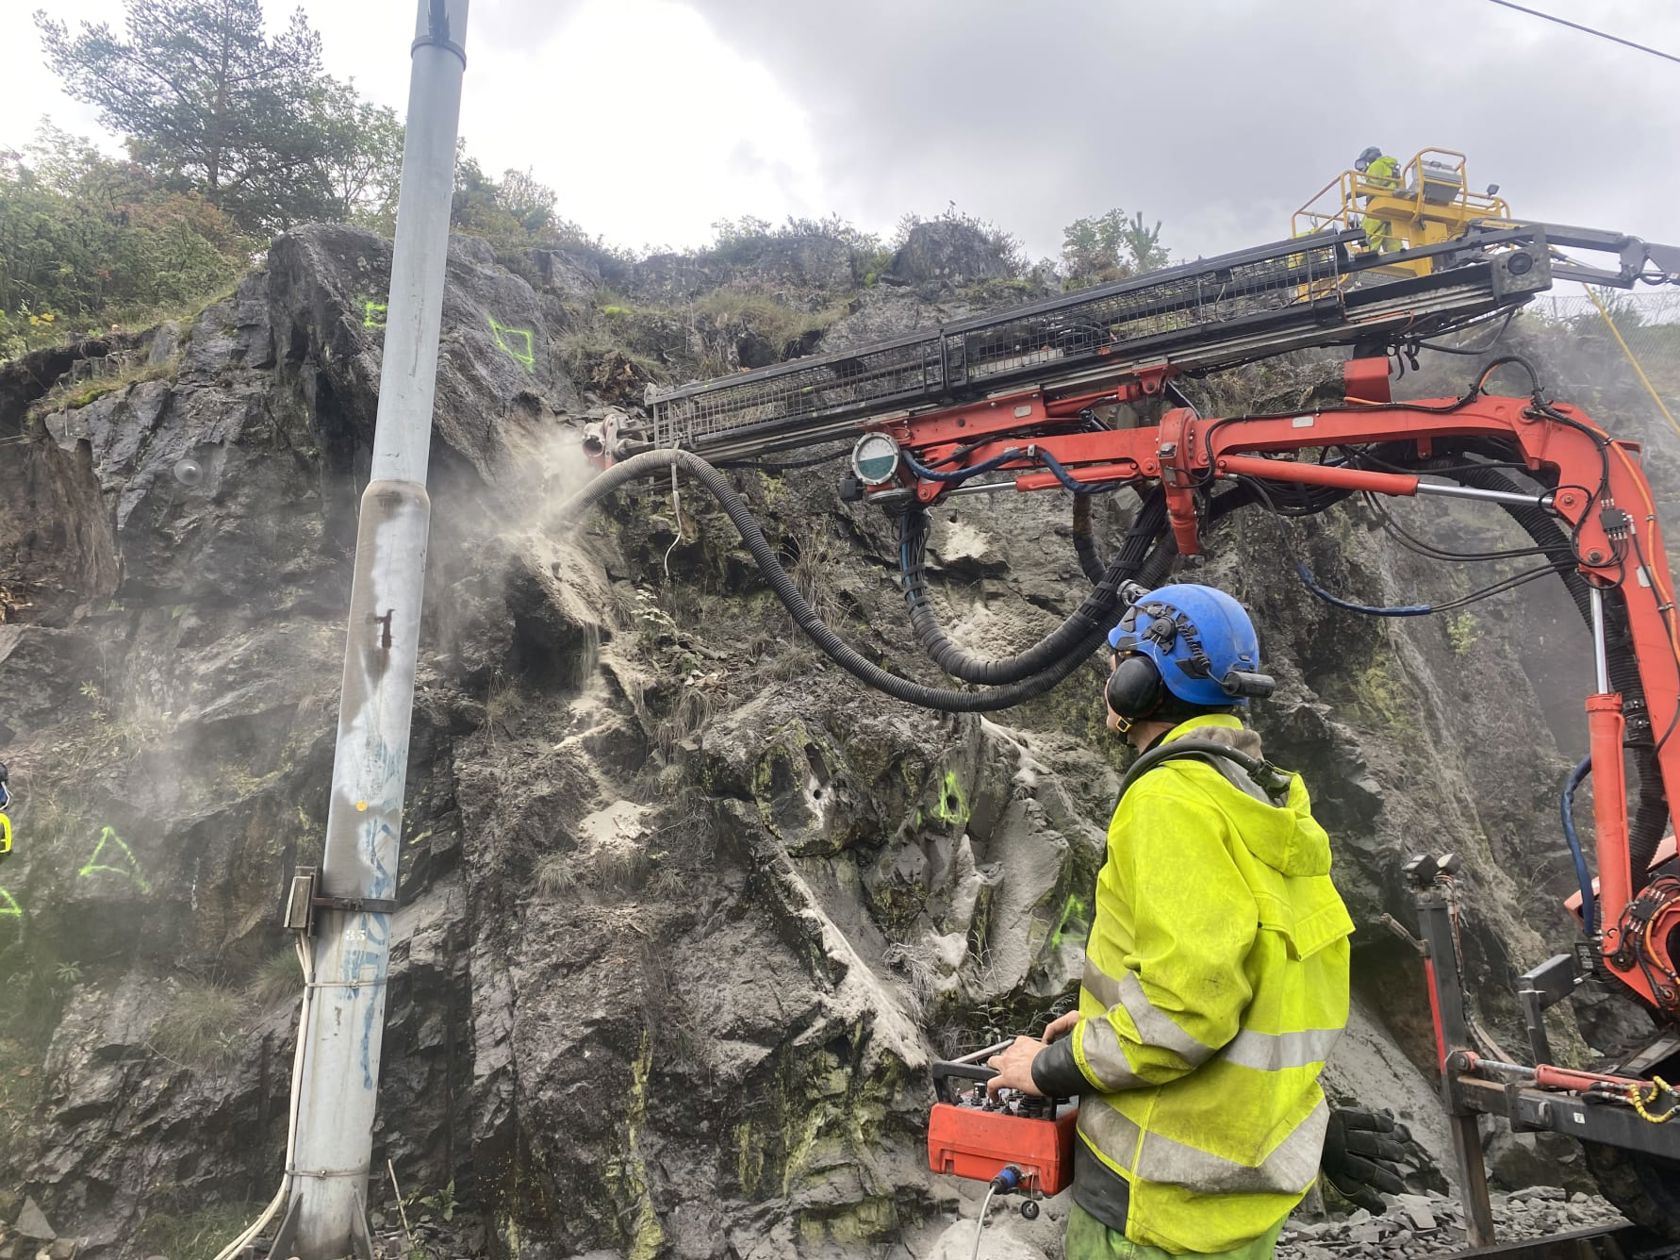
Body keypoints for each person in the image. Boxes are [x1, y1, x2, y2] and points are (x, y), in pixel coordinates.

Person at [983, 584, 1362, 1258]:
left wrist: (1046, 1068)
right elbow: (1234, 971)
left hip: (1158, 1200)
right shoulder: (1259, 798)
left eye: (1115, 667)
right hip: (1242, 1187)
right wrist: (1107, 1016)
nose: (1108, 681)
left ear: (1139, 685)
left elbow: (1185, 1014)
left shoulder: (1168, 802)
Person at [1353, 146, 1402, 254]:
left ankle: (1367, 254)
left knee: (1368, 230)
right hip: (1393, 204)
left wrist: (1355, 193)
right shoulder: (1389, 166)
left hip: (1379, 203)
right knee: (1391, 235)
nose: (1363, 168)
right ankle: (1398, 257)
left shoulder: (1376, 165)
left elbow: (1372, 185)